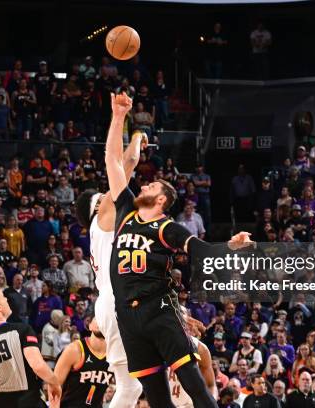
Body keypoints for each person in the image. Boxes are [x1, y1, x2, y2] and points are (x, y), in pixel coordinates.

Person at [104, 92, 252, 408]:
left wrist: (230, 247)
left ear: (161, 200)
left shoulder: (167, 227)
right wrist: (118, 118)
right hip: (126, 315)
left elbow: (199, 250)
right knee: (157, 400)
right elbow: (113, 161)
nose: (143, 185)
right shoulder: (126, 210)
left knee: (194, 386)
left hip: (159, 309)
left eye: (151, 186)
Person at [74, 127, 146, 407]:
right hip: (117, 301)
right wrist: (138, 135)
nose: (109, 194)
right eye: (103, 196)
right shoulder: (104, 215)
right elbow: (126, 163)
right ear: (98, 205)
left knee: (134, 386)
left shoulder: (104, 227)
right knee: (130, 388)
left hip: (118, 301)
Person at [0, 285, 61, 407]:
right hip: (28, 403)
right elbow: (37, 365)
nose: (6, 299)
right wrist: (55, 383)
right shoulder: (22, 330)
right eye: (3, 297)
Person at [52, 316, 114, 408]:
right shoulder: (74, 349)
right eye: (97, 318)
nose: (101, 322)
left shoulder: (115, 354)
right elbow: (54, 385)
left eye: (104, 318)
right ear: (90, 325)